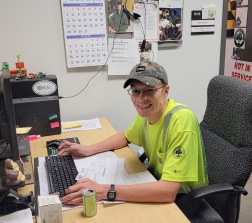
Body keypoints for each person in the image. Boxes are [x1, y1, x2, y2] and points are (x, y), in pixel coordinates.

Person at [58, 61, 208, 205]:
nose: (141, 99)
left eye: (150, 90)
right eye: (136, 91)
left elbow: (169, 191)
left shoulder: (181, 121)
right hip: (154, 182)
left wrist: (105, 191)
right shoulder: (147, 113)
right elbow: (126, 136)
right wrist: (87, 149)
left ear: (166, 91)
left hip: (183, 199)